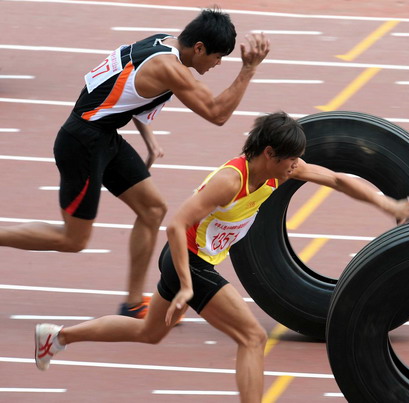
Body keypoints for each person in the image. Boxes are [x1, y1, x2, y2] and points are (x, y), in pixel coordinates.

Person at [33, 112, 409, 403]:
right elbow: (175, 224)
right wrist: (187, 285)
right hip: (190, 261)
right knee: (252, 337)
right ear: (268, 153)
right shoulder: (230, 180)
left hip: (190, 260)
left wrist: (388, 203)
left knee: (148, 333)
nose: (295, 168)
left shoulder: (278, 170)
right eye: (290, 161)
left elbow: (338, 179)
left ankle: (58, 336)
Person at [0, 8, 270, 318]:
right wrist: (248, 69)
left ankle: (132, 302)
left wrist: (149, 139)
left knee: (153, 209)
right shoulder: (172, 68)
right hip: (83, 142)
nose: (218, 63)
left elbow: (127, 86)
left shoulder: (162, 42)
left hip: (103, 136)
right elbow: (216, 113)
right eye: (217, 57)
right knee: (72, 239)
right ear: (198, 48)